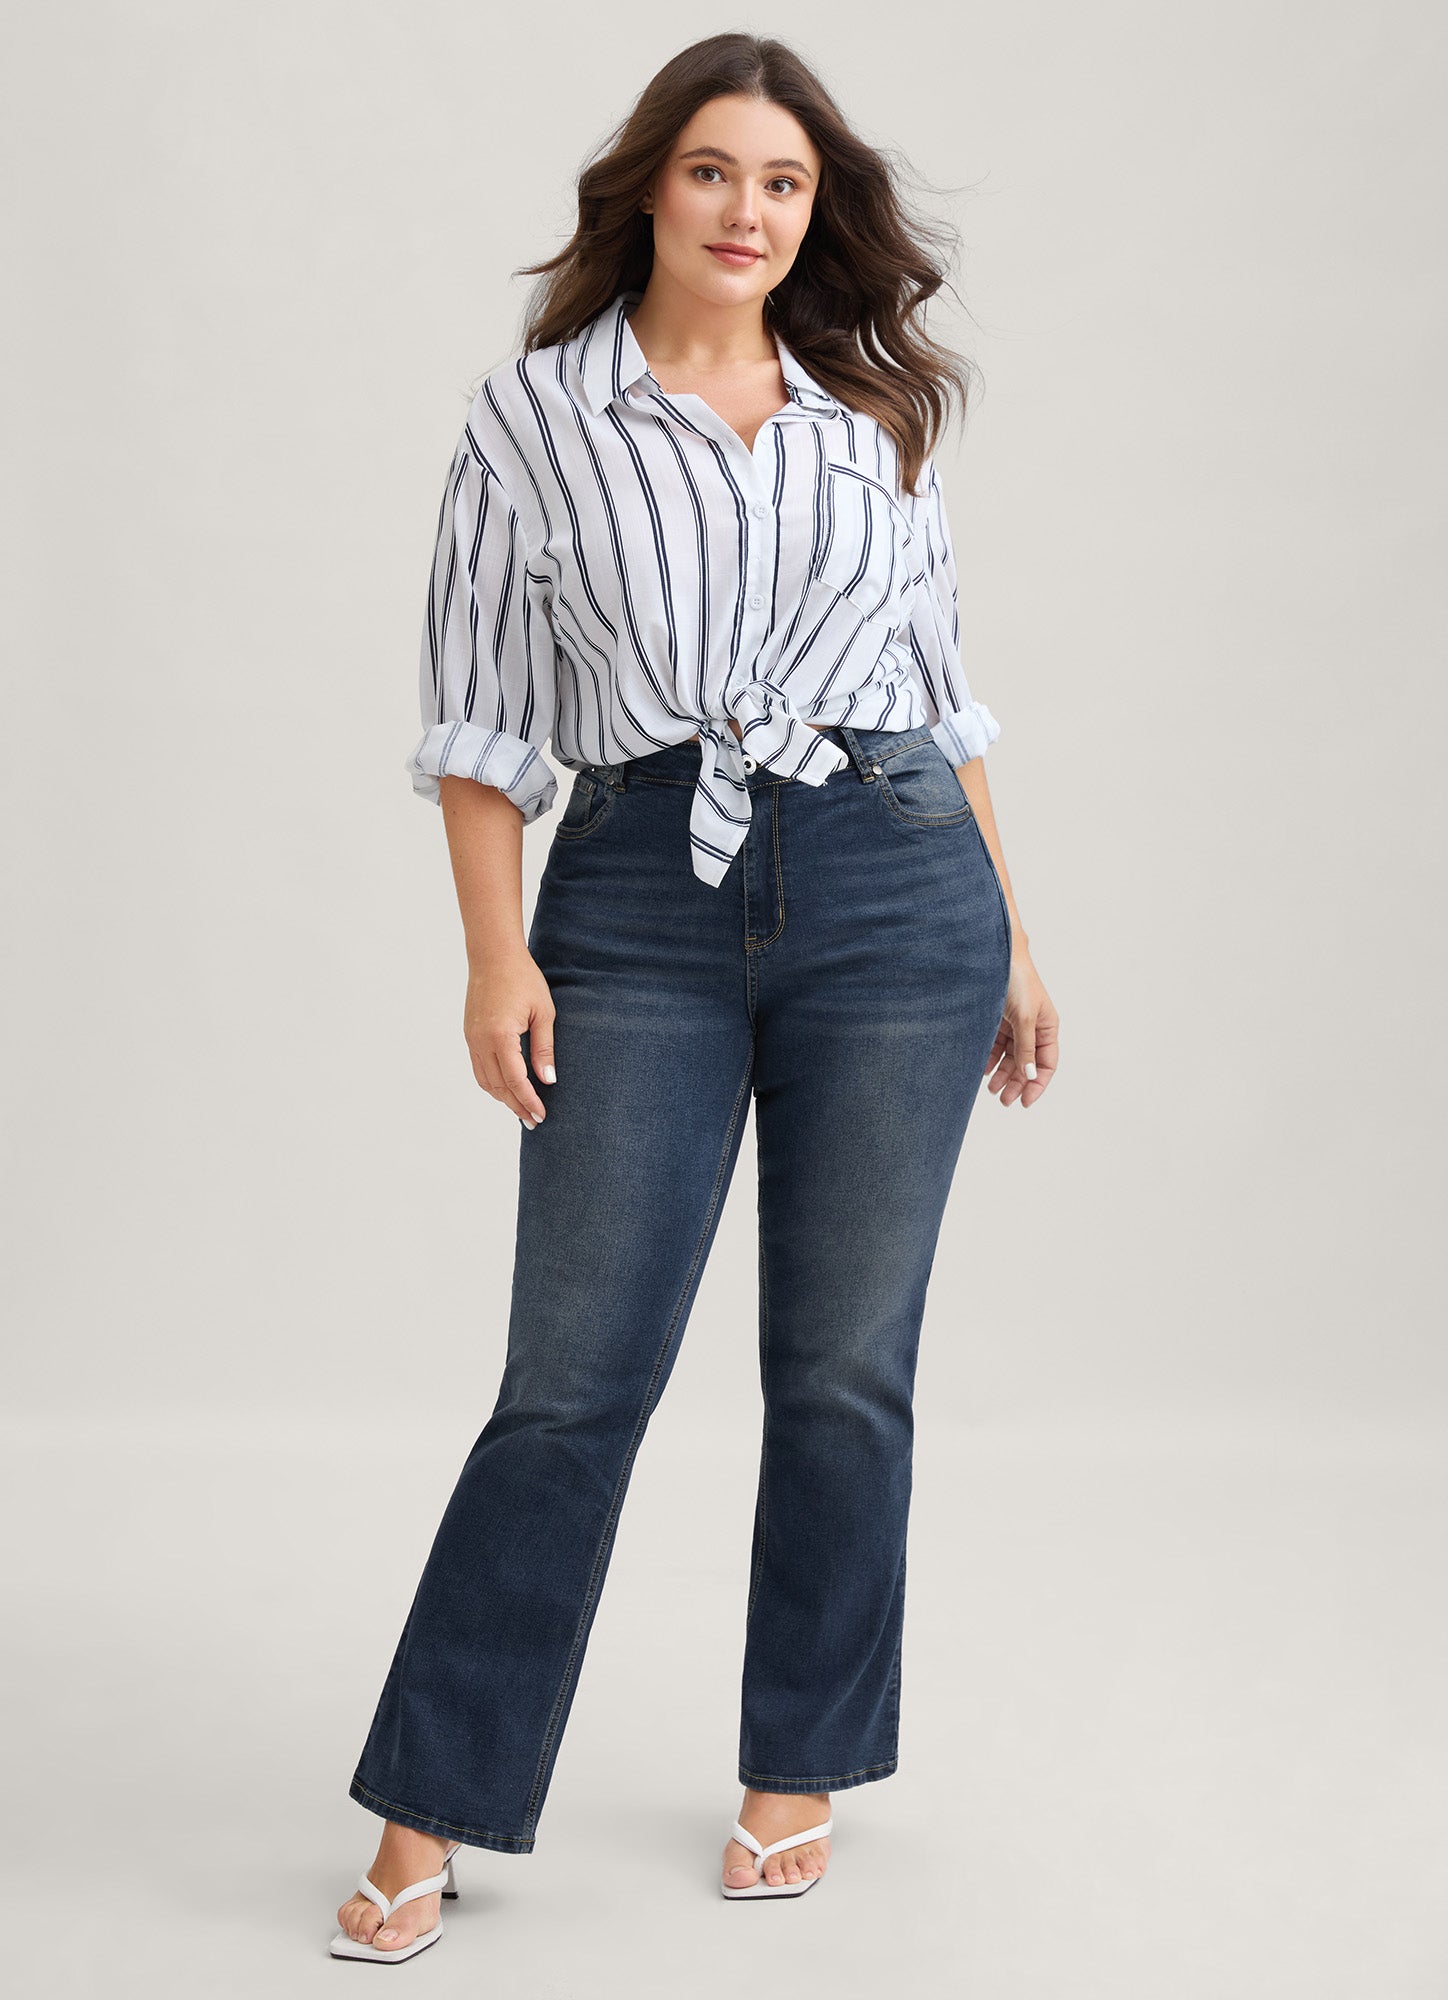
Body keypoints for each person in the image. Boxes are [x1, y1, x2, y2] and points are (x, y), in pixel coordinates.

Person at [330, 30, 1059, 1962]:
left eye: (786, 183)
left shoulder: (870, 417)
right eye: (717, 172)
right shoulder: (532, 420)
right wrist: (495, 953)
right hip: (638, 895)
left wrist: (1013, 931)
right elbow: (480, 719)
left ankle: (798, 1763)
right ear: (650, 186)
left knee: (844, 1368)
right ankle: (431, 1805)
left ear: (818, 212)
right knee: (571, 1384)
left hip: (898, 886)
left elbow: (943, 692)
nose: (751, 211)